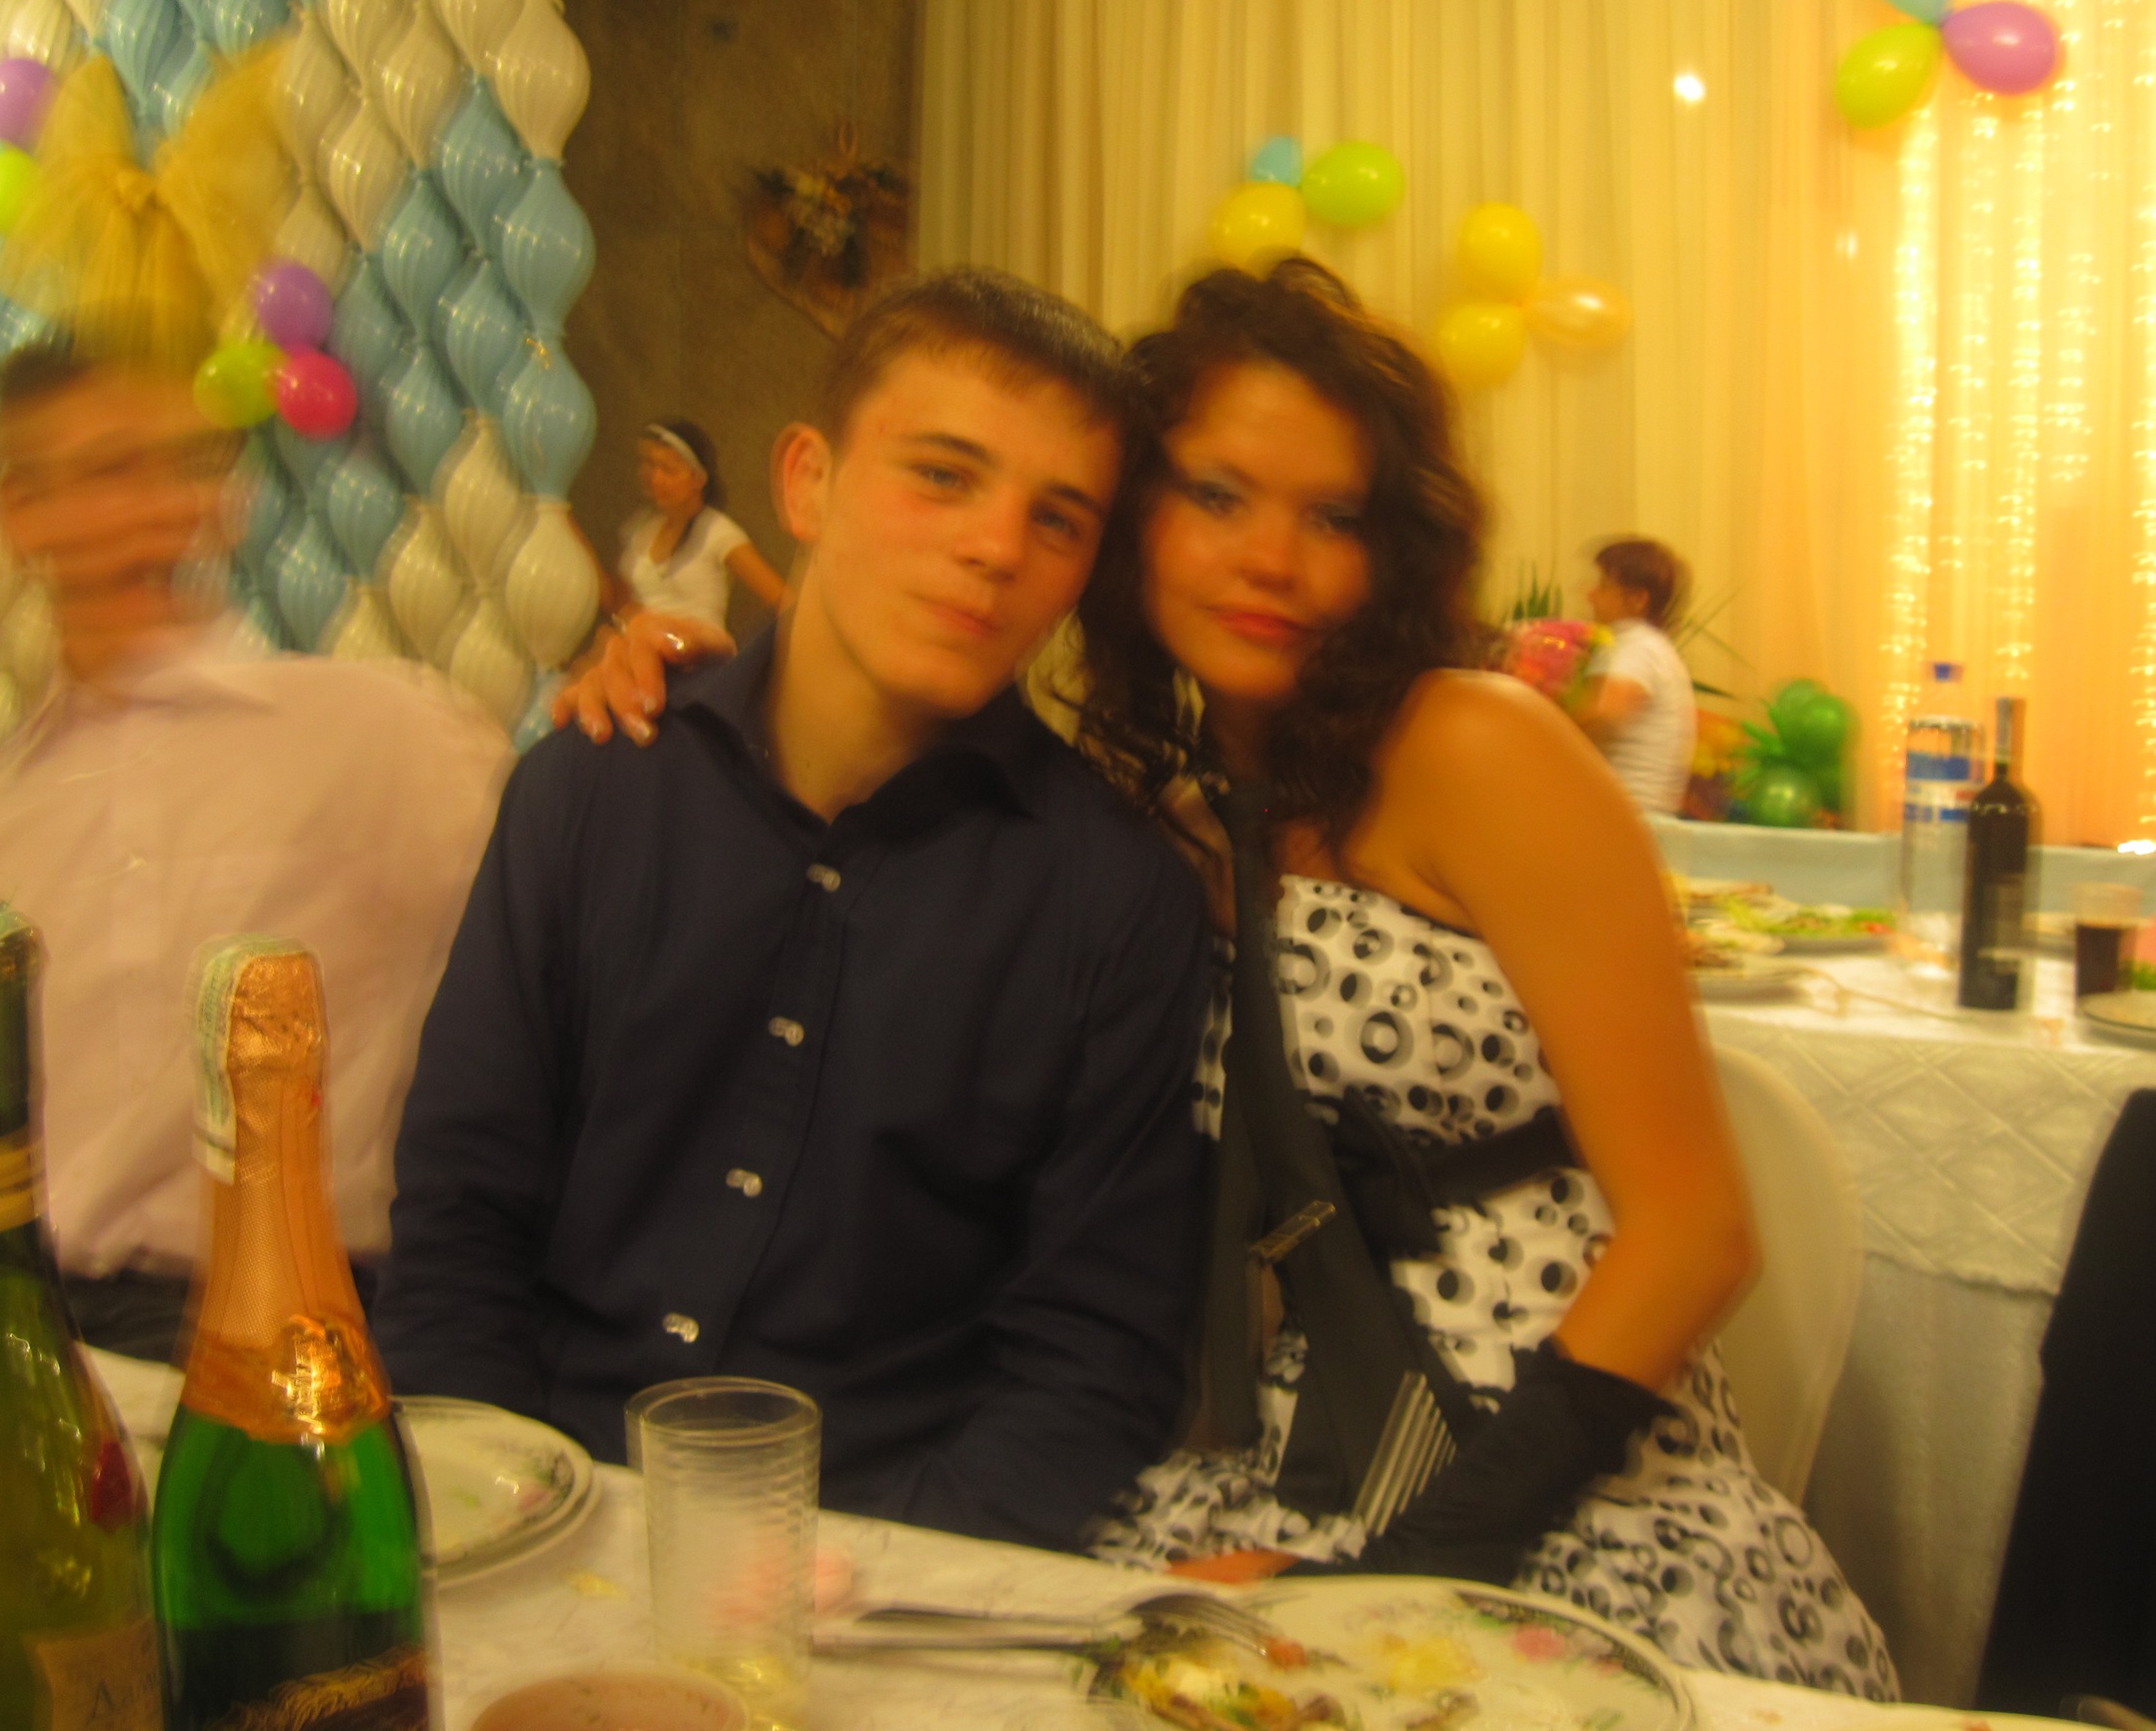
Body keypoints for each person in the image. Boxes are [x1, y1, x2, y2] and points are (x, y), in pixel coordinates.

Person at [559, 261, 1896, 1695]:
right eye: (1216, 495)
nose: (1274, 561)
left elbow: (1698, 1233)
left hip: (1556, 1490)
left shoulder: (1476, 748)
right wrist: (695, 674)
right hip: (1290, 1480)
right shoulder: (1172, 822)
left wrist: (1401, 1580)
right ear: (1132, 520)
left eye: (1334, 517)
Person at [373, 269, 1211, 1553]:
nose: (996, 547)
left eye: (1057, 520)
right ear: (807, 481)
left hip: (892, 1563)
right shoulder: (591, 791)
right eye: (943, 475)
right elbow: (458, 1220)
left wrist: (866, 1592)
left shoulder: (1115, 900)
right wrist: (506, 1521)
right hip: (539, 1520)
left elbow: (1091, 1359)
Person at [0, 347, 511, 1359]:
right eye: (107, 470)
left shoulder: (386, 741)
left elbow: (552, 985)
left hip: (315, 1331)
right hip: (42, 1345)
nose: (155, 504)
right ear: (22, 511)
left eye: (184, 464)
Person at [610, 417, 787, 630]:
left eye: (668, 470)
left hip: (697, 646)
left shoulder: (718, 532)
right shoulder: (641, 527)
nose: (656, 479)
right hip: (638, 644)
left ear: (698, 479)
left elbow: (784, 602)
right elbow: (618, 604)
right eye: (651, 465)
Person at [1574, 537, 1697, 817]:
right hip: (1633, 815)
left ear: (1637, 600)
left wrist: (1539, 723)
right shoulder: (1649, 646)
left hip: (1627, 817)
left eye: (1603, 586)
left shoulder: (1637, 646)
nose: (1591, 595)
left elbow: (1604, 714)